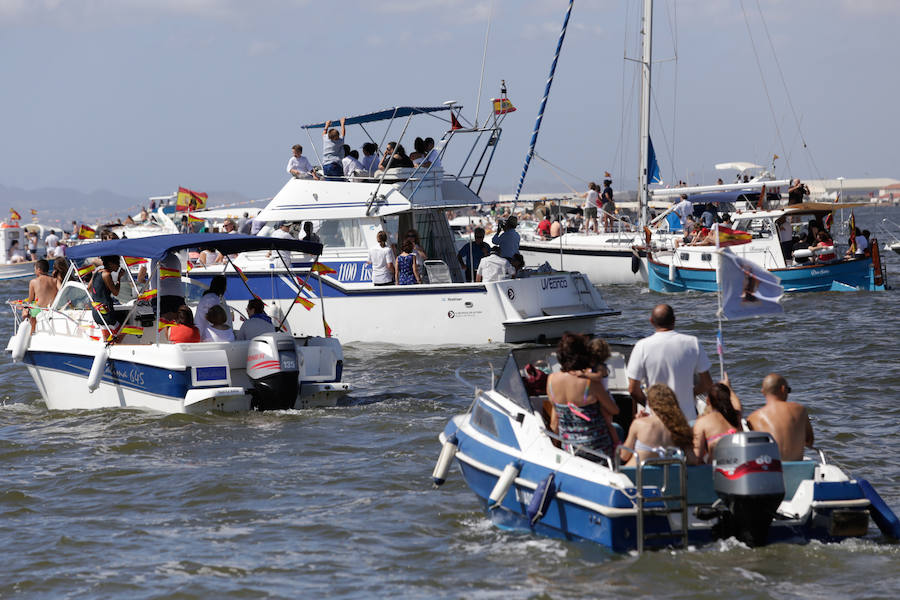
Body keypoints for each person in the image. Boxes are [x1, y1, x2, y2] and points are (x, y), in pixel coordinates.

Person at [626, 304, 713, 422]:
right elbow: (707, 383)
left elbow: (633, 389)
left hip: (655, 418)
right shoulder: (692, 343)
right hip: (686, 418)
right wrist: (690, 394)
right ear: (674, 320)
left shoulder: (642, 346)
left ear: (651, 321)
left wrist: (649, 404)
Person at [543, 333, 620, 461]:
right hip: (597, 450)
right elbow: (614, 410)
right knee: (620, 431)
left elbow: (554, 423)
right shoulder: (589, 381)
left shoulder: (551, 380)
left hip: (570, 449)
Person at [619, 384, 700, 466]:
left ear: (649, 403)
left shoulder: (639, 424)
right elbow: (692, 460)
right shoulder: (679, 426)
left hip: (635, 474)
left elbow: (624, 455)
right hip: (666, 476)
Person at [747, 373, 813, 461]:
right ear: (783, 389)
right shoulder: (800, 410)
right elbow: (809, 441)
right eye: (788, 390)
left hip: (771, 471)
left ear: (763, 392)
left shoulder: (753, 418)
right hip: (798, 470)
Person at [693, 380, 743, 463]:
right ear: (728, 398)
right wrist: (728, 387)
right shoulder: (736, 416)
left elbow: (697, 457)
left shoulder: (702, 422)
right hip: (738, 464)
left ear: (708, 401)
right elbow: (737, 405)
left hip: (716, 470)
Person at [89, 255, 128, 330]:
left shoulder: (97, 272)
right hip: (106, 312)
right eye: (117, 263)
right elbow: (116, 292)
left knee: (112, 335)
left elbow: (89, 288)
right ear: (110, 263)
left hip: (96, 311)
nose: (119, 266)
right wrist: (119, 278)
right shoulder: (107, 274)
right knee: (119, 333)